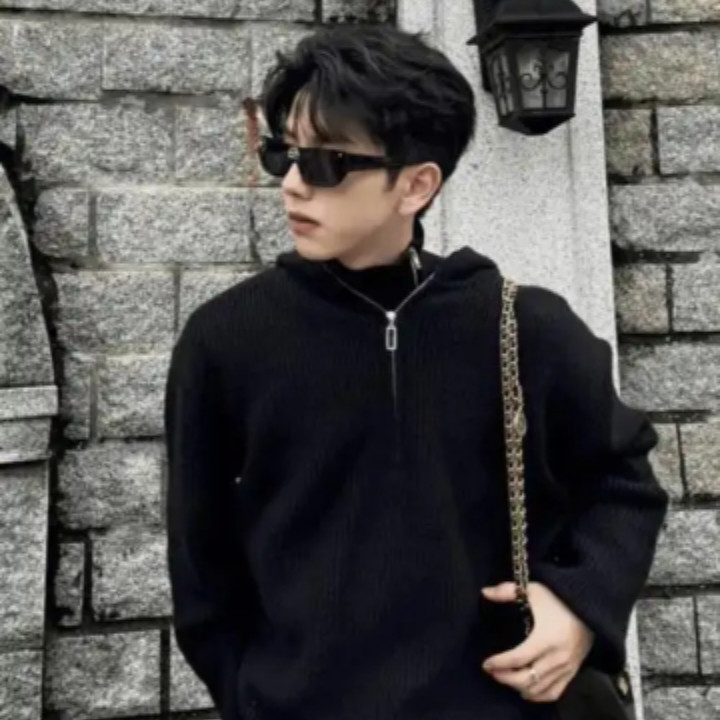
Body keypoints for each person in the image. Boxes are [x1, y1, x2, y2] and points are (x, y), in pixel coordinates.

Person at [163, 23, 669, 720]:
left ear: (416, 185)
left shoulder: (523, 326)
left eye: (328, 163)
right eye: (285, 152)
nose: (293, 185)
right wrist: (253, 698)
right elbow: (201, 565)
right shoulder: (226, 339)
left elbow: (623, 481)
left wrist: (580, 606)